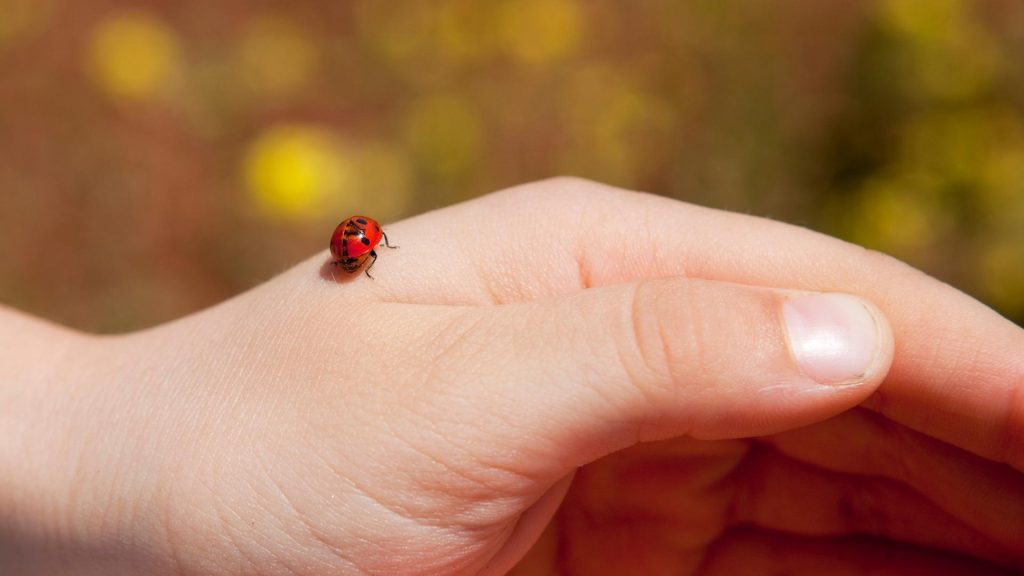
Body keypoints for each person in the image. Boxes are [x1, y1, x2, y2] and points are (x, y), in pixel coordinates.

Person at [1, 178, 1021, 575]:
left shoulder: (354, 247)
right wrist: (90, 445)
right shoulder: (359, 248)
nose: (361, 249)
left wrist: (89, 436)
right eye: (362, 248)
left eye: (362, 247)